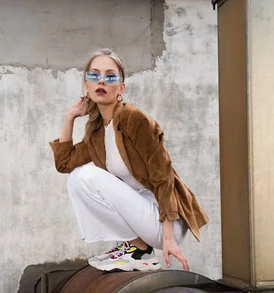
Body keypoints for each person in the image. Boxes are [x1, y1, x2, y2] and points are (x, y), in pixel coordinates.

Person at [49, 48, 208, 272]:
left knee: (85, 176)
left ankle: (140, 250)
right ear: (87, 84)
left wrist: (168, 238)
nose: (101, 81)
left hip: (164, 220)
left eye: (110, 76)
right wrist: (70, 117)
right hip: (141, 216)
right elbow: (64, 164)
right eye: (94, 75)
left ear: (121, 87)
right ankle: (134, 248)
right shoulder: (97, 132)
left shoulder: (133, 119)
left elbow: (163, 177)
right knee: (76, 178)